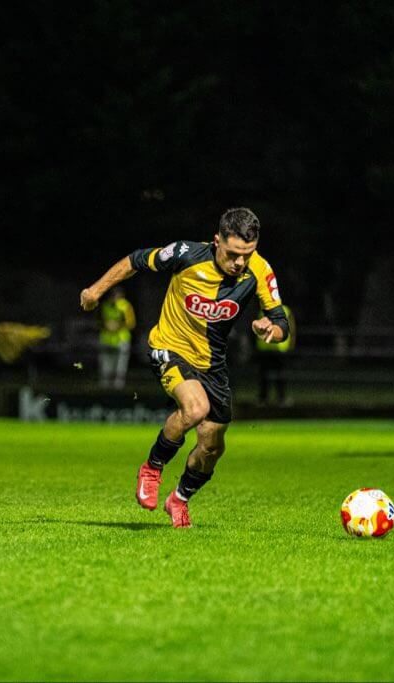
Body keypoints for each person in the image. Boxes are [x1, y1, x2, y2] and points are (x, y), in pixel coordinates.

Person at [80, 207, 289, 528]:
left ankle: (179, 499)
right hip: (170, 347)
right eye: (233, 253)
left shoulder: (260, 270)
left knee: (212, 446)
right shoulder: (186, 254)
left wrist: (270, 330)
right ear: (217, 241)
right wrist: (95, 290)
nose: (239, 262)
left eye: (247, 254)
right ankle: (152, 467)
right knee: (195, 408)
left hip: (212, 364)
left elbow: (280, 323)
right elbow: (136, 260)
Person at [254, 303, 295, 406]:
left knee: (267, 374)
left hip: (267, 348)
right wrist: (291, 344)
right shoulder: (285, 309)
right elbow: (291, 328)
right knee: (277, 374)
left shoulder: (263, 310)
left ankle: (264, 398)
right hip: (277, 348)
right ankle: (279, 398)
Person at [98, 286, 136, 389]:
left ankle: (118, 387)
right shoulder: (105, 305)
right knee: (106, 365)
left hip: (121, 340)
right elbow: (99, 321)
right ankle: (105, 386)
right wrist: (106, 325)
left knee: (120, 366)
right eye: (113, 296)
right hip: (107, 340)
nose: (115, 298)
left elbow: (131, 323)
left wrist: (117, 326)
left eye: (117, 296)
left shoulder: (125, 306)